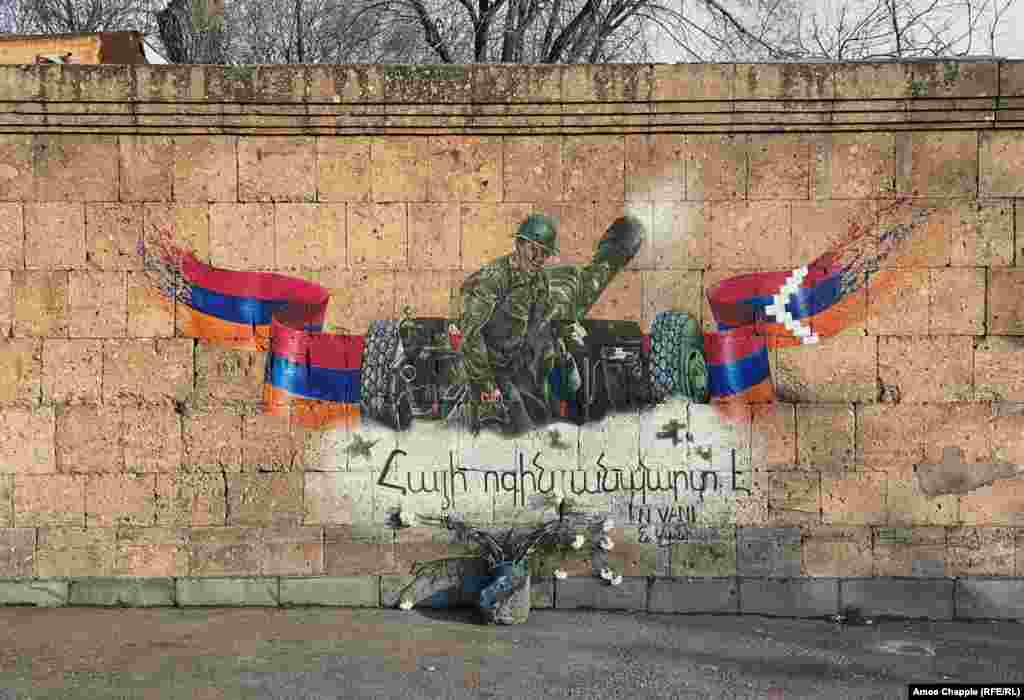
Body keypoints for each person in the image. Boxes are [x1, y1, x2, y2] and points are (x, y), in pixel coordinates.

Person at [457, 213, 645, 434]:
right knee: (519, 429)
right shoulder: (494, 279)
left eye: (544, 252)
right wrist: (486, 387)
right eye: (533, 249)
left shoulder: (540, 281)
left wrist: (562, 341)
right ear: (519, 244)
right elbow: (470, 336)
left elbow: (543, 322)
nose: (538, 257)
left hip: (519, 365)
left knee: (549, 414)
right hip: (488, 370)